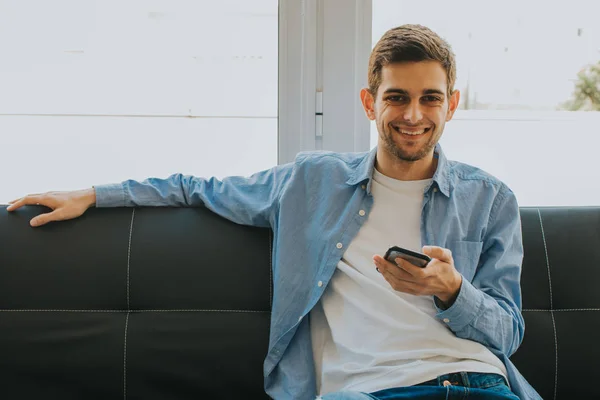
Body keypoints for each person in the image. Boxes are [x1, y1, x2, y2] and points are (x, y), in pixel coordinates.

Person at [6, 24, 541, 400]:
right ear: (368, 101)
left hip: (477, 384)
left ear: (451, 104)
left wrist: (452, 291)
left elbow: (509, 332)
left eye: (430, 98)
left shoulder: (490, 199)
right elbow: (197, 188)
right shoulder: (311, 182)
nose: (412, 115)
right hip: (363, 392)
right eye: (396, 96)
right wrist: (94, 195)